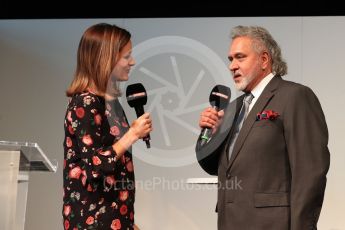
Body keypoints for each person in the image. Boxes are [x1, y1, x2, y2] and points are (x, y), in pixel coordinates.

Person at [196, 25, 330, 229]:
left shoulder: (294, 96)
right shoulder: (233, 108)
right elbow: (212, 166)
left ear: (264, 60)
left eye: (240, 57)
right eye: (230, 59)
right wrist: (211, 135)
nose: (232, 66)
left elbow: (310, 173)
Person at [63, 23, 151, 230]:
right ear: (106, 58)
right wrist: (132, 134)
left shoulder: (110, 104)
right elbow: (94, 167)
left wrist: (127, 220)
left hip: (114, 220)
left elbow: (115, 172)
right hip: (91, 222)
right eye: (126, 56)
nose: (133, 62)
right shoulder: (85, 103)